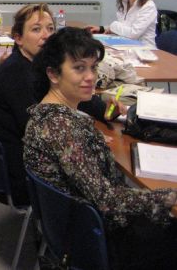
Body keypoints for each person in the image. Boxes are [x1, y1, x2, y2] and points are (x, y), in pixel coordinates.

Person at [24, 27, 177, 269]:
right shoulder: (61, 128)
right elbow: (107, 200)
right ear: (53, 74)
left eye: (93, 67)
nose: (90, 76)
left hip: (78, 226)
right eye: (79, 68)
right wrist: (168, 199)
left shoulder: (48, 114)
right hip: (94, 237)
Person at [0, 4, 121, 205]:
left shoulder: (35, 65)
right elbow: (43, 128)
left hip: (15, 160)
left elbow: (68, 90)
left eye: (50, 29)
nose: (46, 36)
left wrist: (104, 109)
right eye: (36, 29)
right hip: (15, 173)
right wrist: (85, 135)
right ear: (18, 38)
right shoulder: (16, 73)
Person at [87, 0, 158, 47]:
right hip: (126, 46)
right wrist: (101, 28)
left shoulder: (148, 6)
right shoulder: (125, 2)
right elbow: (124, 26)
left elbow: (133, 33)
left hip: (145, 49)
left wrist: (113, 26)